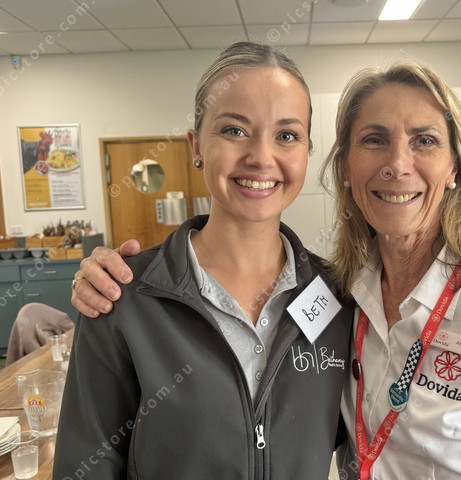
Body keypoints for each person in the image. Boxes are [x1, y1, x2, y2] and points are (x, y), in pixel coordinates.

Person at [72, 59, 461, 479]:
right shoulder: (348, 295)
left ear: (455, 164)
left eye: (425, 140)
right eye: (234, 130)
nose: (398, 164)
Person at [53, 42, 351, 480]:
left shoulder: (339, 296)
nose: (261, 157)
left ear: (307, 150)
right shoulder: (122, 296)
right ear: (196, 146)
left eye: (287, 135)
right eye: (234, 130)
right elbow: (86, 464)